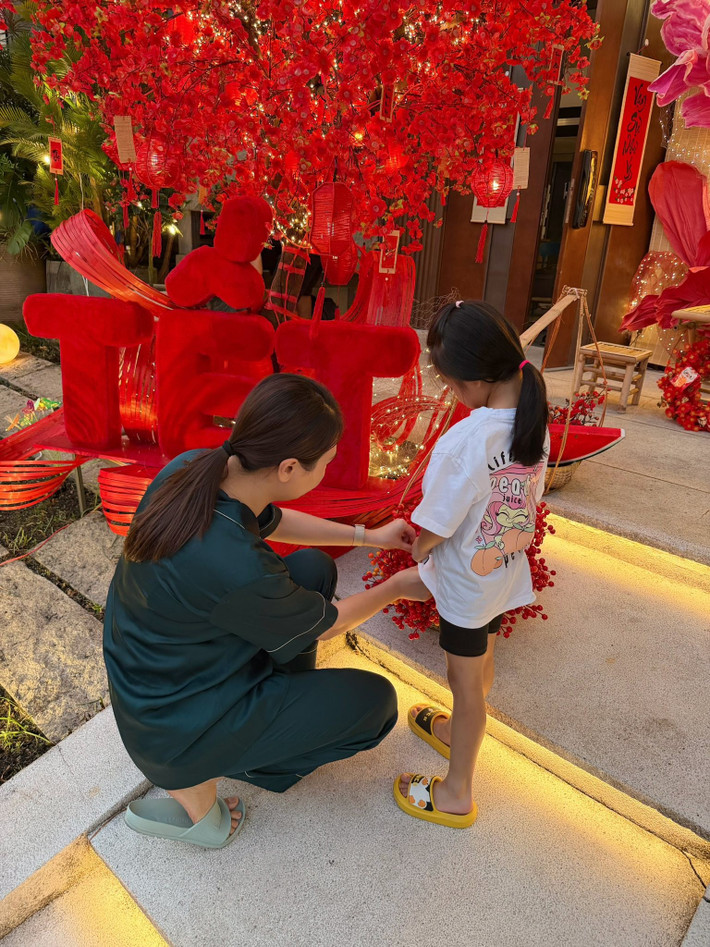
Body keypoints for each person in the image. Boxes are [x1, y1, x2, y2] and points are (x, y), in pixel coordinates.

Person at [104, 373, 430, 849]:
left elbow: (274, 520)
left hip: (159, 673)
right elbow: (328, 625)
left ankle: (267, 717)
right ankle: (250, 768)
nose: (326, 471)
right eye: (325, 464)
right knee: (376, 704)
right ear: (289, 468)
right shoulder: (235, 564)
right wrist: (396, 587)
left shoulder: (196, 467)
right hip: (177, 727)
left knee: (313, 568)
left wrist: (368, 536)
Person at [394, 300, 549, 828]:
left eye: (451, 383)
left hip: (466, 583)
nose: (452, 393)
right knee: (480, 666)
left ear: (475, 380)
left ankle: (456, 791)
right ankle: (456, 730)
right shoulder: (533, 418)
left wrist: (419, 549)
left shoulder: (465, 440)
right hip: (502, 572)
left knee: (464, 686)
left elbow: (438, 522)